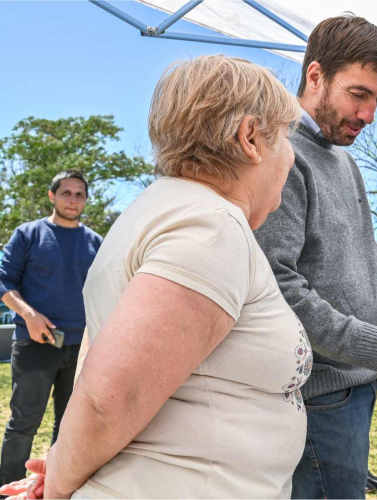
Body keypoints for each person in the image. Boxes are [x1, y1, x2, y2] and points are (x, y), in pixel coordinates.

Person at [0, 55, 312, 499]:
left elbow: (103, 364)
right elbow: (112, 399)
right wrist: (58, 488)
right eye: (284, 137)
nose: (291, 155)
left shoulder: (156, 211)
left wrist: (61, 462)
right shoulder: (210, 226)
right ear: (250, 138)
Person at [253, 15, 377, 500]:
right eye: (359, 94)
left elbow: (367, 261)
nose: (369, 115)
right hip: (316, 392)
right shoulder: (281, 156)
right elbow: (277, 286)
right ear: (315, 75)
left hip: (356, 384)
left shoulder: (344, 159)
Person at [0, 170, 102, 485]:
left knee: (70, 426)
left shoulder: (96, 243)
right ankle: (6, 488)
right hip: (35, 345)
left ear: (86, 200)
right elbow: (3, 278)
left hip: (81, 348)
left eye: (79, 194)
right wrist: (28, 313)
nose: (73, 200)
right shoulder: (28, 234)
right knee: (23, 424)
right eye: (66, 193)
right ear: (52, 196)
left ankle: (55, 485)